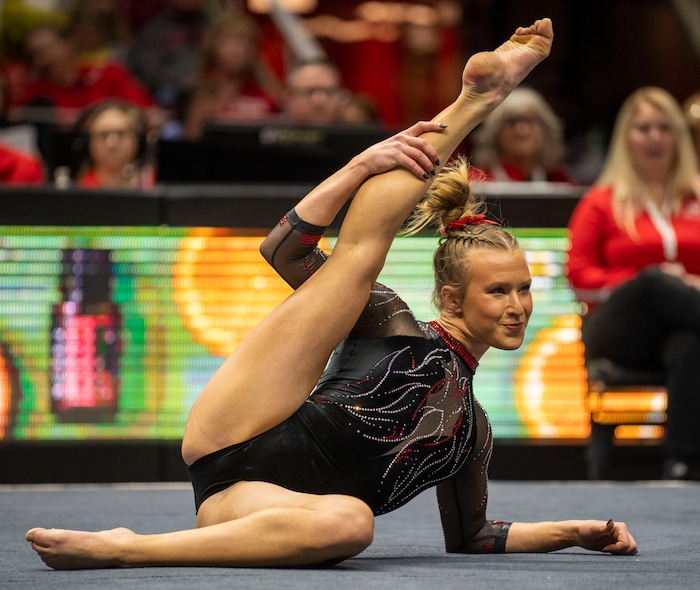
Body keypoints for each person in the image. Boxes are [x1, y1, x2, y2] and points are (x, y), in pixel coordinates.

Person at [25, 19, 638, 570]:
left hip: (260, 507)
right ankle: (475, 101)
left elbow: (474, 535)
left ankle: (130, 545)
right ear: (451, 301)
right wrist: (361, 164)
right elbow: (283, 252)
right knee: (357, 264)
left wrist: (573, 533)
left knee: (351, 521)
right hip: (238, 435)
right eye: (499, 290)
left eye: (525, 289)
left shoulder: (471, 432)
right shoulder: (389, 320)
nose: (518, 305)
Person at [567, 86, 700, 480]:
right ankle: (657, 284)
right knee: (654, 281)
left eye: (665, 127)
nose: (656, 137)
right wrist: (650, 280)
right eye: (644, 128)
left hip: (682, 323)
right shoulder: (601, 201)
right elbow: (579, 278)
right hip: (618, 328)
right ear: (626, 137)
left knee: (690, 344)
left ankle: (684, 464)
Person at [13, 23, 156, 128]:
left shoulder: (109, 74)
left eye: (46, 50)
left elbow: (149, 115)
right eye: (35, 55)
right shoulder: (34, 94)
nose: (43, 60)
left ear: (67, 44)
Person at [470, 86, 573, 182]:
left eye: (529, 121)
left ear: (545, 130)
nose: (522, 130)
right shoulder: (476, 180)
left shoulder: (558, 179)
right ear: (495, 132)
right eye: (512, 122)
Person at [126, 0, 212, 110]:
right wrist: (181, 79)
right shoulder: (156, 30)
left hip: (206, 88)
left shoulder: (211, 26)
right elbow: (148, 72)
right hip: (169, 90)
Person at [74, 99, 154, 189]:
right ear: (89, 143)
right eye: (103, 135)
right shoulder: (79, 189)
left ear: (138, 139)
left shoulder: (155, 185)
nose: (112, 144)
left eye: (121, 133)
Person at [282, 58, 347, 125]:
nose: (319, 101)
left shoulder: (351, 132)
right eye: (309, 92)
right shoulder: (272, 132)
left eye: (328, 92)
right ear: (290, 96)